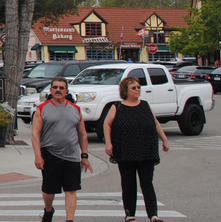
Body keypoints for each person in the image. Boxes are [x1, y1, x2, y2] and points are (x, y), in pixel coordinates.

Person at [103, 76, 170, 222]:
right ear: (125, 90)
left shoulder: (145, 105)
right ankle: (129, 213)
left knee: (147, 182)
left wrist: (164, 139)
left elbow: (156, 123)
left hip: (146, 149)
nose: (137, 90)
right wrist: (108, 143)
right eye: (134, 88)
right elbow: (107, 124)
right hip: (125, 150)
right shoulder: (117, 106)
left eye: (139, 87)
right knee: (128, 183)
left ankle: (153, 214)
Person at [31, 77, 93, 222]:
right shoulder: (42, 109)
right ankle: (48, 209)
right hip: (50, 154)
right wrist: (38, 156)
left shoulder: (75, 109)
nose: (58, 90)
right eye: (55, 87)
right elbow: (35, 134)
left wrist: (84, 156)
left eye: (61, 88)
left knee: (71, 190)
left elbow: (82, 134)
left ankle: (69, 220)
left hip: (71, 155)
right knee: (48, 191)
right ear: (51, 90)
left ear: (66, 91)